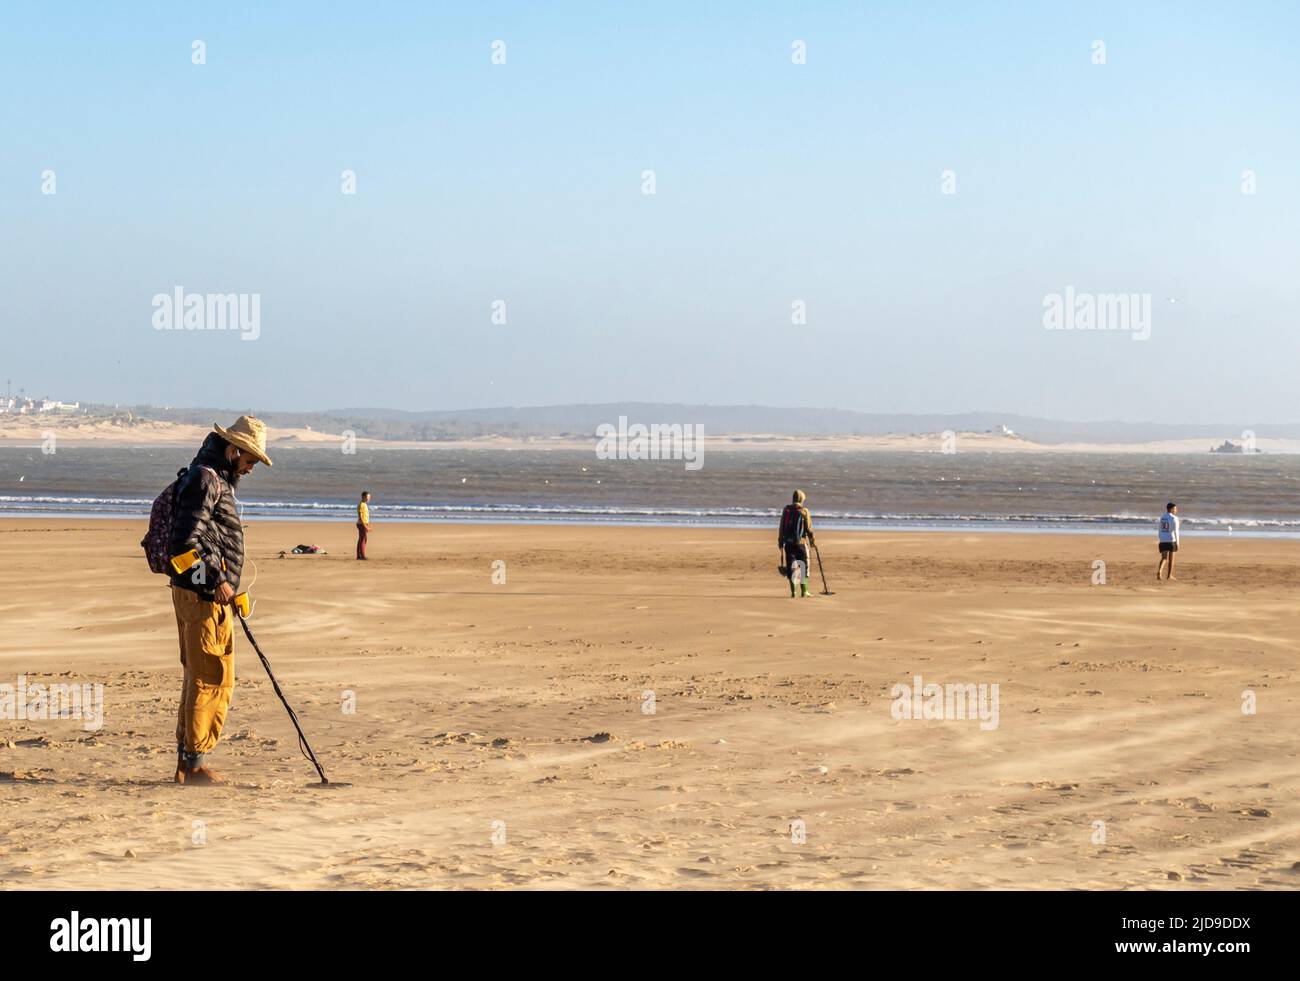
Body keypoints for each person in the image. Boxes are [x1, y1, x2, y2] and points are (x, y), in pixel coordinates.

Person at [167, 415, 272, 785]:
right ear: (233, 450)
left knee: (202, 674)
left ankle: (188, 764)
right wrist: (215, 582)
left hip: (200, 595)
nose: (251, 468)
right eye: (250, 461)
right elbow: (182, 546)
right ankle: (194, 767)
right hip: (200, 597)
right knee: (210, 675)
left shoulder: (211, 477)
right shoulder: (206, 480)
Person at [778, 489, 817, 597]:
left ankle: (793, 592)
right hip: (801, 543)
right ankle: (804, 591)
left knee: (792, 567)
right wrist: (812, 540)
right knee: (803, 566)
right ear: (802, 499)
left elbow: (781, 527)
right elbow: (809, 528)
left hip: (788, 543)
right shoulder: (804, 510)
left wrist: (780, 541)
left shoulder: (786, 510)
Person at [1157, 501, 1180, 581]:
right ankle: (1169, 575)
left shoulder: (1162, 517)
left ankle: (1160, 571)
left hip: (1163, 540)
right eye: (1175, 509)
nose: (1176, 510)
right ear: (1171, 509)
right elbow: (1176, 531)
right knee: (1171, 559)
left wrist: (1160, 538)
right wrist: (1178, 542)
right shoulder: (1174, 518)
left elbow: (1160, 529)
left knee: (1164, 558)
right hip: (1171, 540)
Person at [356, 491, 372, 560]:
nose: (369, 498)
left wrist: (367, 524)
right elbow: (360, 517)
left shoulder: (365, 504)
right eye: (368, 497)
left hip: (364, 523)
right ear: (363, 497)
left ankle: (359, 555)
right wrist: (365, 526)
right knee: (362, 539)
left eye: (369, 497)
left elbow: (366, 516)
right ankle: (361, 556)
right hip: (361, 524)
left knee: (363, 539)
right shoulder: (361, 505)